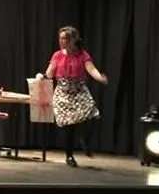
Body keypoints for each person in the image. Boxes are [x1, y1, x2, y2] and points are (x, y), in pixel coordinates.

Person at [37, 26, 108, 168]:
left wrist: (99, 77)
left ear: (74, 40)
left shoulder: (83, 55)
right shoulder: (57, 55)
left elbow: (91, 69)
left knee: (93, 115)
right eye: (61, 38)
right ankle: (69, 156)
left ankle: (85, 140)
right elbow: (50, 73)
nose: (62, 41)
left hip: (79, 91)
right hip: (63, 93)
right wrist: (42, 76)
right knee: (68, 126)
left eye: (65, 38)